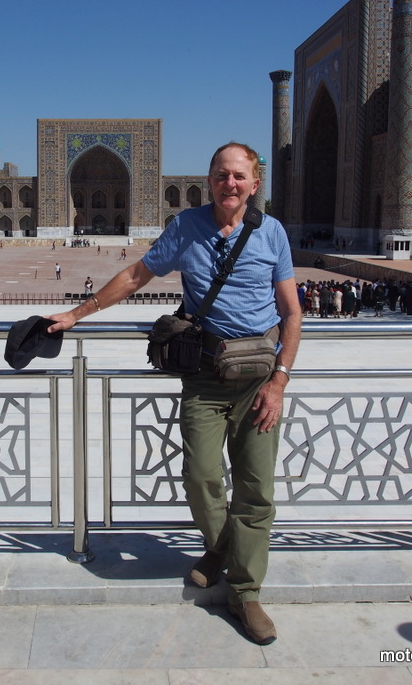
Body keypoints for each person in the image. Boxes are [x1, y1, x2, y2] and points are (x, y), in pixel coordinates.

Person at [46, 142, 301, 645]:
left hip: (258, 381)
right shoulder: (186, 228)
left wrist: (279, 380)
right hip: (205, 378)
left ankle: (245, 592)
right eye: (222, 175)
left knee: (256, 491)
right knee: (201, 478)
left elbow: (291, 313)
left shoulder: (272, 233)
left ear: (255, 183)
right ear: (210, 181)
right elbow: (139, 275)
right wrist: (76, 314)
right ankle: (223, 549)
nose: (230, 184)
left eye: (239, 176)